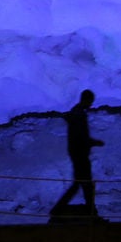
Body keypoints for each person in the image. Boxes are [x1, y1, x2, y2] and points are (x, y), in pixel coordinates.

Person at [50, 89, 103, 218]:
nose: (91, 105)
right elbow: (81, 136)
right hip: (80, 154)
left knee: (82, 183)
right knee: (84, 183)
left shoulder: (76, 113)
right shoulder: (79, 115)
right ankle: (88, 211)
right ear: (86, 100)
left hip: (77, 152)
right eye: (90, 102)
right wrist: (93, 143)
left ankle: (90, 210)